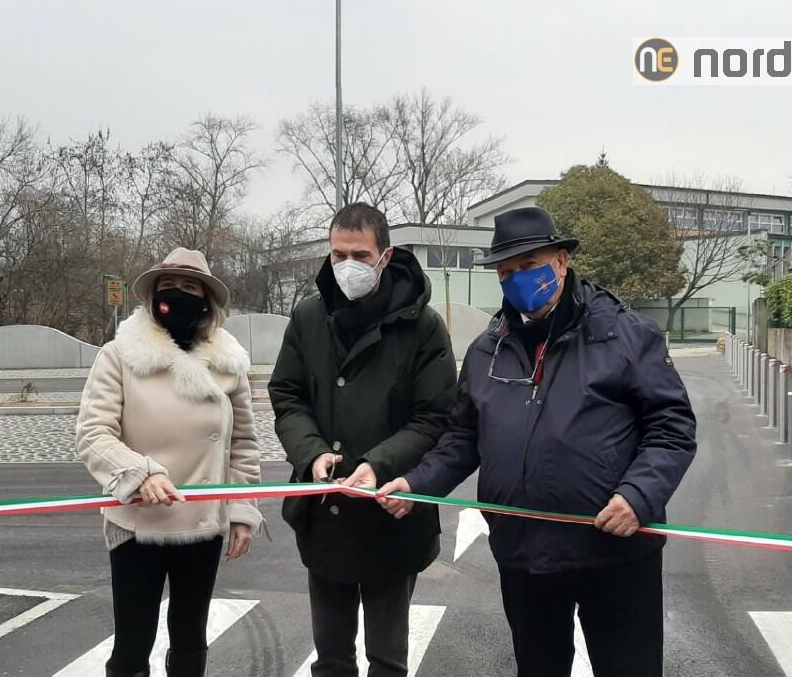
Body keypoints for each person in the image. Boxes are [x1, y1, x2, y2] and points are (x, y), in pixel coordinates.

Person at [377, 206, 697, 677]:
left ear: (561, 262)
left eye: (529, 265)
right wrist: (417, 484)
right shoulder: (488, 349)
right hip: (525, 555)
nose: (518, 279)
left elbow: (672, 426)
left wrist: (638, 496)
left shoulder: (625, 334)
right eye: (506, 272)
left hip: (616, 553)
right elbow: (462, 436)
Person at [269, 202, 457, 677]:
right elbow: (287, 396)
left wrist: (379, 463)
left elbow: (433, 417)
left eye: (359, 255)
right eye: (338, 255)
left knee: (387, 660)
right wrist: (311, 453)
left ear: (385, 257)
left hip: (392, 515)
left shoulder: (423, 327)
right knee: (331, 659)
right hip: (324, 515)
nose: (347, 266)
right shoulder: (308, 317)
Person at [77, 248, 263, 677]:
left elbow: (243, 443)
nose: (178, 295)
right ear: (153, 296)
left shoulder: (229, 364)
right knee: (132, 644)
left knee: (190, 638)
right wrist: (139, 473)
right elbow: (94, 433)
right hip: (137, 522)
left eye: (189, 287)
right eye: (169, 286)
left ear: (206, 300)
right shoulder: (119, 356)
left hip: (203, 522)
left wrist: (242, 511)